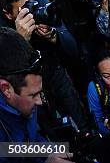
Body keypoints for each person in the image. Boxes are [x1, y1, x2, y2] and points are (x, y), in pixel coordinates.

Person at [0, 0, 88, 130]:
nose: (31, 10)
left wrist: (55, 36)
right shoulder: (3, 30)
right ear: (7, 13)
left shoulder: (38, 1)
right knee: (48, 133)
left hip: (54, 73)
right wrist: (20, 40)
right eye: (24, 10)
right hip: (28, 90)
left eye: (29, 2)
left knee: (80, 123)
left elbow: (73, 49)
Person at [0, 27, 74, 163]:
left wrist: (50, 151)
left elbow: (19, 146)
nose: (40, 102)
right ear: (6, 89)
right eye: (33, 95)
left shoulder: (23, 100)